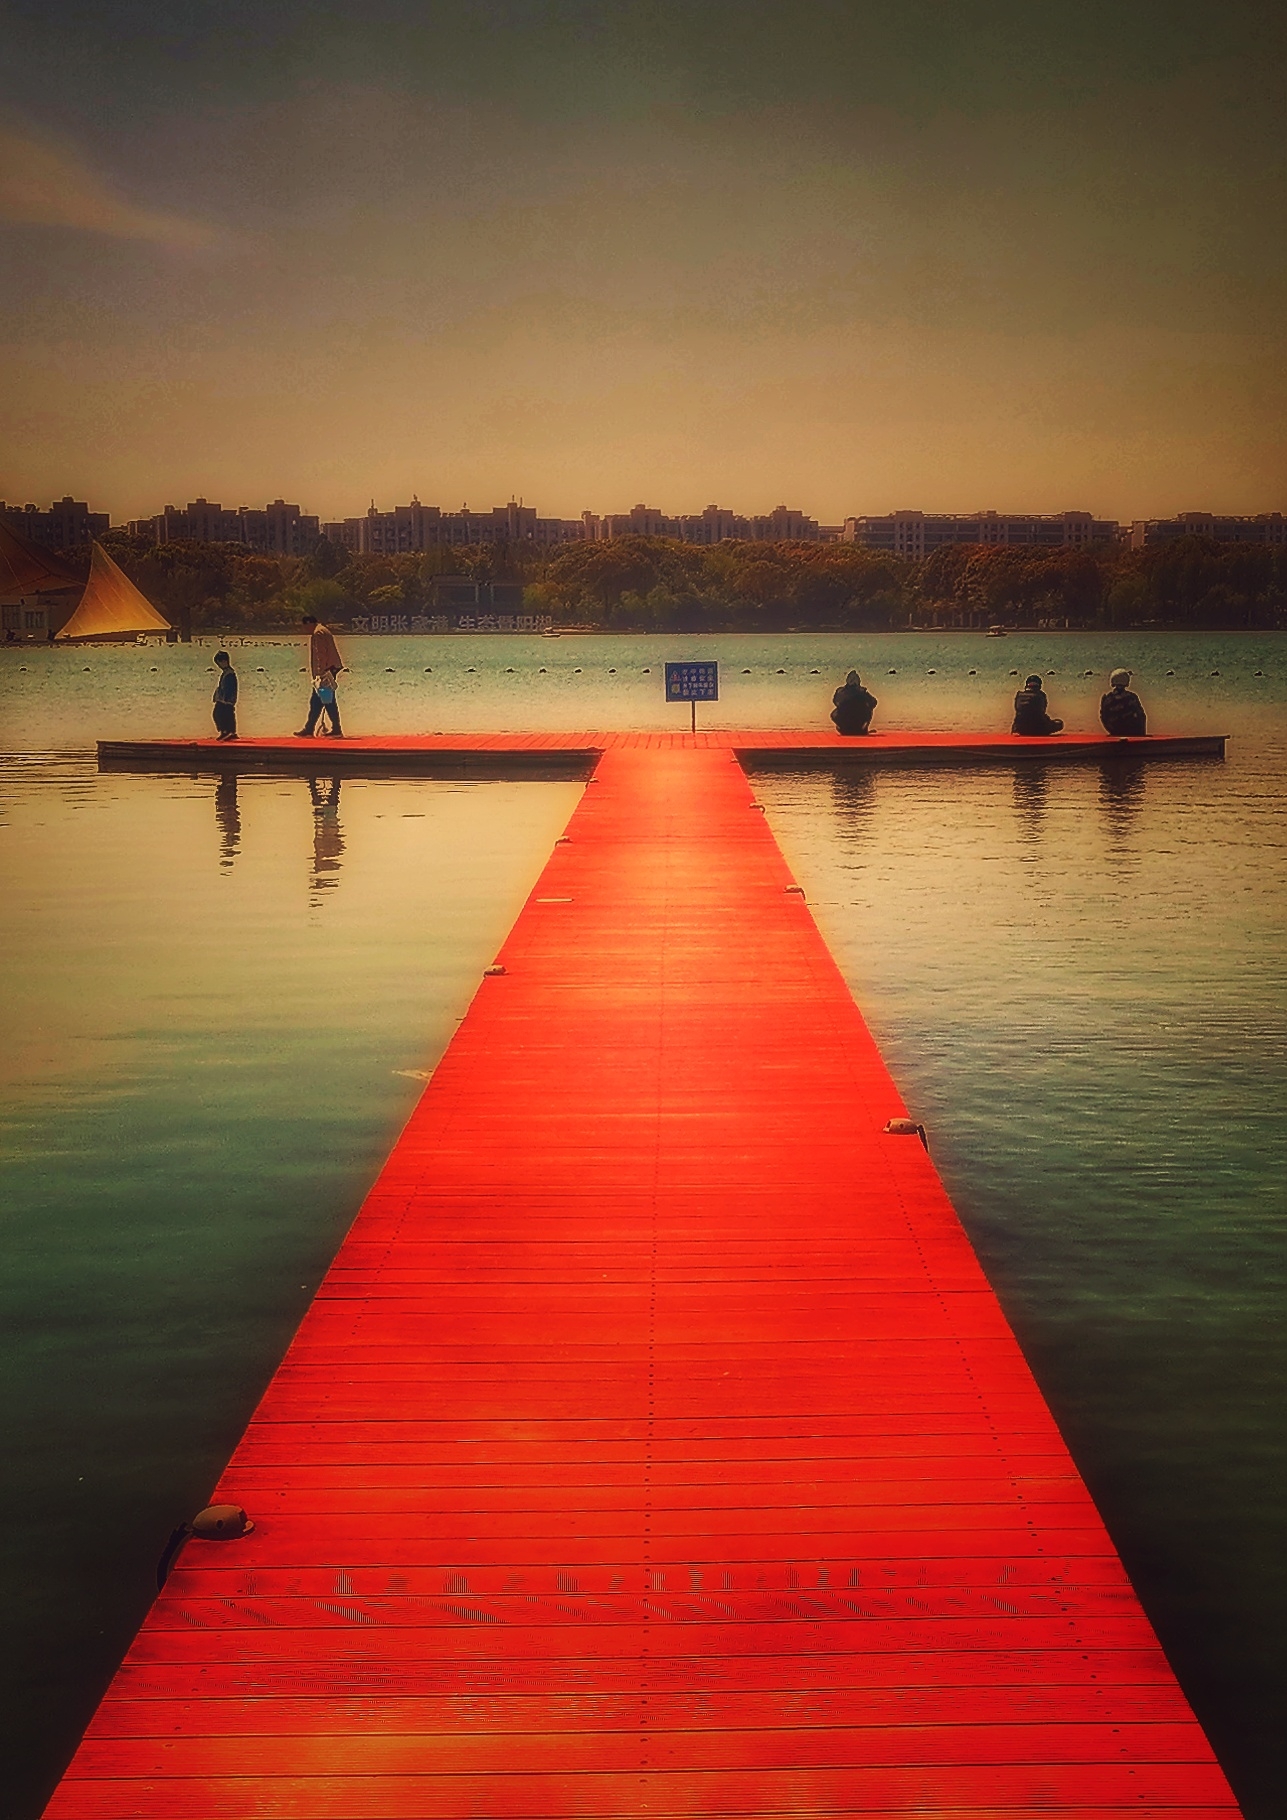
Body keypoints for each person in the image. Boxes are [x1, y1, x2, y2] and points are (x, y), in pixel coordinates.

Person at [295, 614, 345, 737]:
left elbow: (320, 655)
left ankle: (335, 729)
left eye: (305, 627)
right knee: (318, 701)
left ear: (309, 623)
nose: (305, 630)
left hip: (325, 671)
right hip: (330, 669)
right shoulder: (324, 630)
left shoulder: (318, 633)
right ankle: (310, 728)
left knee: (327, 700)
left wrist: (320, 673)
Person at [1100, 667, 1147, 736]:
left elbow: (1103, 717)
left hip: (1114, 730)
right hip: (1131, 731)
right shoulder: (1131, 697)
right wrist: (1142, 734)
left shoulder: (1107, 698)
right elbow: (1141, 716)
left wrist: (1111, 730)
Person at [831, 669, 878, 735]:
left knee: (834, 713)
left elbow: (835, 702)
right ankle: (864, 729)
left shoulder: (840, 691)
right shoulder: (862, 692)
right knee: (869, 710)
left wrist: (844, 706)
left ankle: (843, 727)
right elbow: (874, 702)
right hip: (859, 724)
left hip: (845, 725)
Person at [211, 650, 238, 740]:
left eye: (219, 663)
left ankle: (229, 732)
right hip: (223, 698)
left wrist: (226, 699)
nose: (219, 666)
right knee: (219, 714)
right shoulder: (226, 673)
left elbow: (230, 688)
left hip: (227, 699)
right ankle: (225, 731)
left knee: (225, 714)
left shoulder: (230, 674)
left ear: (224, 661)